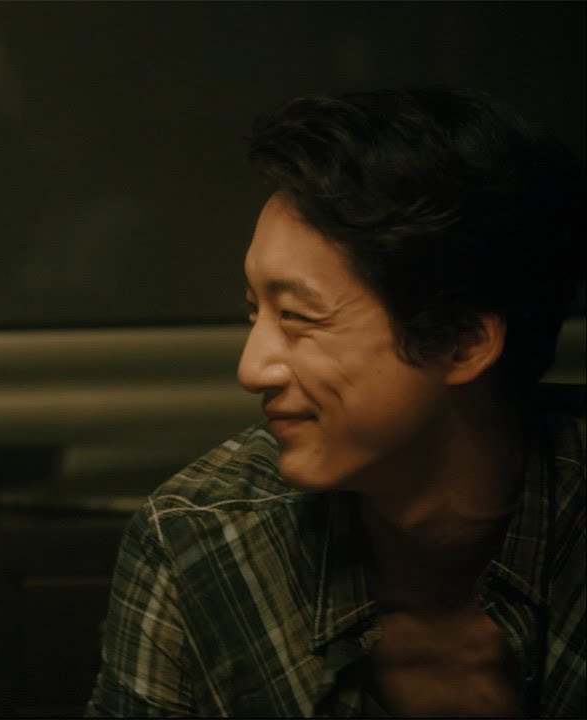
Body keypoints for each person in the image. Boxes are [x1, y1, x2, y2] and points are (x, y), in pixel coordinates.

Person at [88, 87, 585, 717]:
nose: (251, 369)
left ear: (462, 342)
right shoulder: (202, 540)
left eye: (298, 317)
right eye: (254, 310)